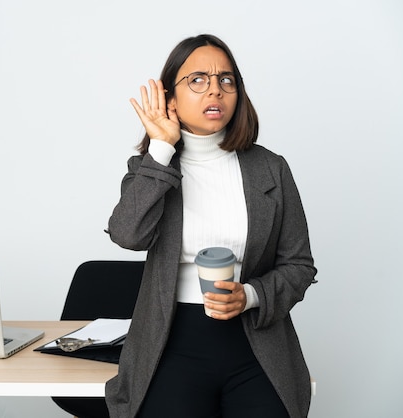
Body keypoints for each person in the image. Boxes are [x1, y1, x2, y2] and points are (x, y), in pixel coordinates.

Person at [105, 34, 317, 418]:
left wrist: (250, 295)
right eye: (198, 80)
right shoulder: (150, 168)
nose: (215, 91)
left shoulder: (271, 169)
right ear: (171, 98)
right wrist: (161, 148)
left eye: (226, 80)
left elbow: (299, 266)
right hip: (171, 343)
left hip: (256, 343)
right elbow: (127, 235)